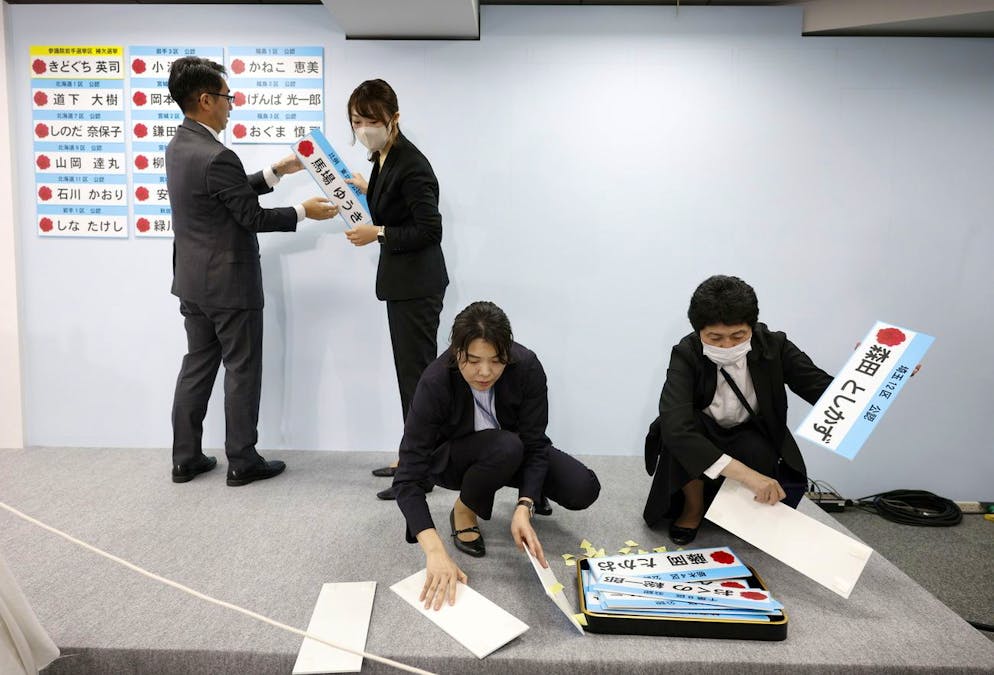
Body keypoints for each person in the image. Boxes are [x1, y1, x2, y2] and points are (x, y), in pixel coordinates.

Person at [166, 56, 338, 486]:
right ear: (205, 100)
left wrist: (275, 171)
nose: (230, 105)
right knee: (242, 369)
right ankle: (242, 459)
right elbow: (250, 217)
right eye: (227, 97)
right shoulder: (217, 154)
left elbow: (222, 192)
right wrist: (303, 210)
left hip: (192, 281)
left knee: (197, 367)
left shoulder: (180, 146)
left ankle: (185, 458)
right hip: (229, 284)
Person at [393, 301, 601, 610]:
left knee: (583, 487)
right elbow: (407, 477)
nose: (485, 372)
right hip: (455, 459)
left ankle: (522, 493)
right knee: (506, 446)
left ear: (508, 352)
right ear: (456, 352)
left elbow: (534, 444)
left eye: (496, 360)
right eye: (473, 361)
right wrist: (434, 551)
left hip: (513, 450)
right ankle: (464, 510)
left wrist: (524, 505)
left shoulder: (527, 366)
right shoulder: (435, 382)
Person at [642, 275, 834, 545]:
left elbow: (823, 390)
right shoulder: (687, 352)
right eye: (715, 338)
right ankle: (693, 507)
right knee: (674, 432)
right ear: (699, 332)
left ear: (752, 328)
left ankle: (739, 509)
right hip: (702, 430)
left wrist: (879, 377)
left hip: (750, 431)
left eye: (738, 336)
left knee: (760, 453)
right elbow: (676, 426)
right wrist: (749, 476)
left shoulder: (774, 346)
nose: (727, 346)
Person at [341, 79, 449, 499]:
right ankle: (413, 459)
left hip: (417, 287)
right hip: (403, 286)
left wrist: (379, 232)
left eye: (372, 120)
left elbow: (429, 228)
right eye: (357, 120)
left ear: (394, 119)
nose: (364, 127)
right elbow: (395, 200)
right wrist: (368, 189)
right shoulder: (382, 157)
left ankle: (419, 472)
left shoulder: (412, 163)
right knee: (412, 378)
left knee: (418, 379)